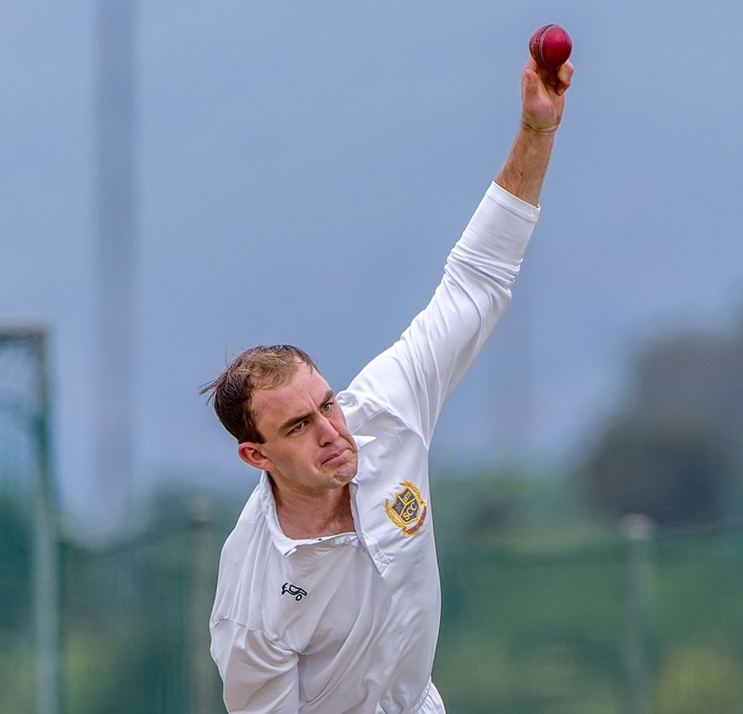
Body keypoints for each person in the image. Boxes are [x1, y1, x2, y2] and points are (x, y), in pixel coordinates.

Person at [201, 50, 573, 714]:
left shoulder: (383, 410)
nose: (331, 432)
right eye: (297, 427)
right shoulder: (254, 588)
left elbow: (477, 281)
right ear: (255, 456)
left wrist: (535, 132)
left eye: (325, 404)